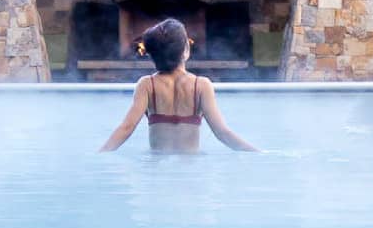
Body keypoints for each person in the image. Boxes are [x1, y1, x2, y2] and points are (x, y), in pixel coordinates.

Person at [98, 18, 258, 153]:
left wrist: (99, 153)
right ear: (186, 50)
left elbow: (126, 128)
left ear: (152, 56)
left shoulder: (147, 85)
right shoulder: (201, 86)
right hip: (190, 171)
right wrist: (258, 153)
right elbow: (223, 133)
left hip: (157, 169)